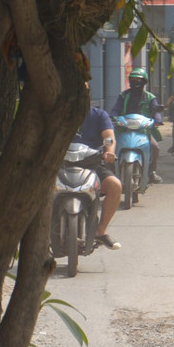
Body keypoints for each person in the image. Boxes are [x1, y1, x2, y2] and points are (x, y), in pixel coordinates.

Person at [74, 87, 123, 249]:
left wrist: (109, 152)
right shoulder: (60, 113)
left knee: (115, 186)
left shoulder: (99, 115)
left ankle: (100, 231)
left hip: (92, 163)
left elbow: (109, 138)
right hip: (62, 164)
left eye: (85, 92)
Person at [110, 66, 163, 183]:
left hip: (143, 129)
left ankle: (152, 172)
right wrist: (112, 116)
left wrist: (157, 120)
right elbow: (116, 109)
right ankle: (110, 170)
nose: (135, 82)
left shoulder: (150, 97)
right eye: (133, 80)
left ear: (144, 81)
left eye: (138, 80)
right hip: (123, 128)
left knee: (155, 147)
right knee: (109, 145)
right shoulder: (123, 95)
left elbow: (156, 110)